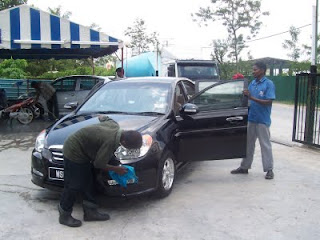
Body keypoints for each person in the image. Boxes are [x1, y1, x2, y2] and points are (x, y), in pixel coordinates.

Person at [58, 115, 142, 227]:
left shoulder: (114, 125)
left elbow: (104, 117)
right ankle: (64, 213)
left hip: (85, 151)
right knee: (74, 184)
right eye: (128, 148)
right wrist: (117, 169)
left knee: (89, 181)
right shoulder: (110, 141)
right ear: (125, 142)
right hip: (74, 151)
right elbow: (99, 164)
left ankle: (90, 212)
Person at [231, 61, 276, 180]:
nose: (253, 71)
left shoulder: (268, 84)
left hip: (262, 120)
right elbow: (247, 99)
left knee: (265, 145)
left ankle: (269, 169)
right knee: (248, 145)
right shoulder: (252, 83)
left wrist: (252, 98)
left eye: (255, 69)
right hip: (251, 119)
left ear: (262, 70)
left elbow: (269, 101)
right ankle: (244, 167)